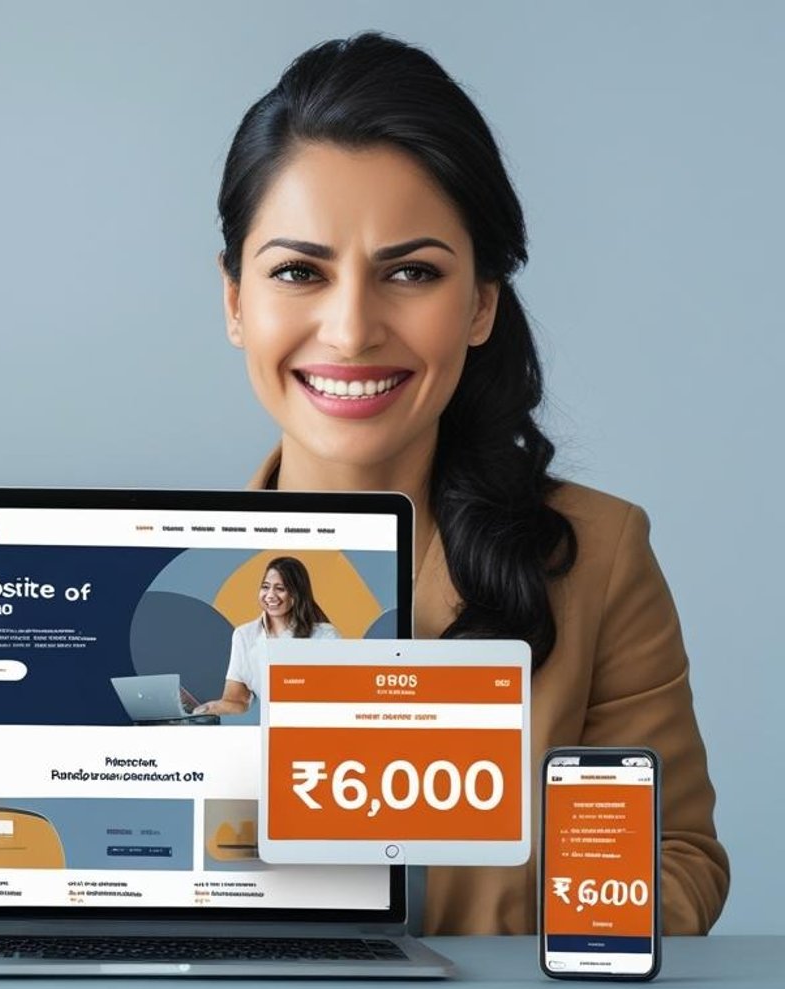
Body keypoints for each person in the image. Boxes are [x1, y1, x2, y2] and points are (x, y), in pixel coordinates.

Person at [214, 33, 728, 932]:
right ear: (235, 302)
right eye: (299, 271)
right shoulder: (169, 573)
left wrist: (525, 942)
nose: (350, 330)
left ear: (482, 303)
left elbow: (676, 858)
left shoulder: (598, 558)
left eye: (411, 272)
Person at [193, 555, 339, 717]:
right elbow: (237, 700)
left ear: (297, 594)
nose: (270, 595)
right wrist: (210, 708)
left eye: (280, 589)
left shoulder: (325, 635)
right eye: (265, 587)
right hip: (272, 727)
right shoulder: (244, 635)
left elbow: (337, 692)